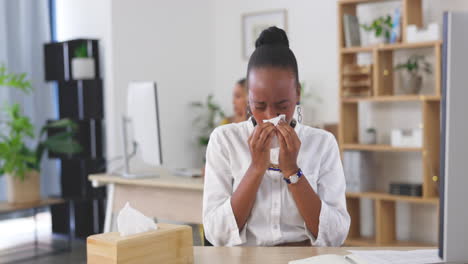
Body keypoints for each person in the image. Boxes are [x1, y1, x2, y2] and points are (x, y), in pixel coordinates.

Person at [203, 27, 350, 247]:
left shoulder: (322, 143)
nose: (271, 116)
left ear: (297, 93)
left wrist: (292, 171)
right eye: (259, 105)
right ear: (248, 97)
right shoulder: (225, 140)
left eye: (282, 105)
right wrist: (255, 169)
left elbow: (335, 236)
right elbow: (216, 235)